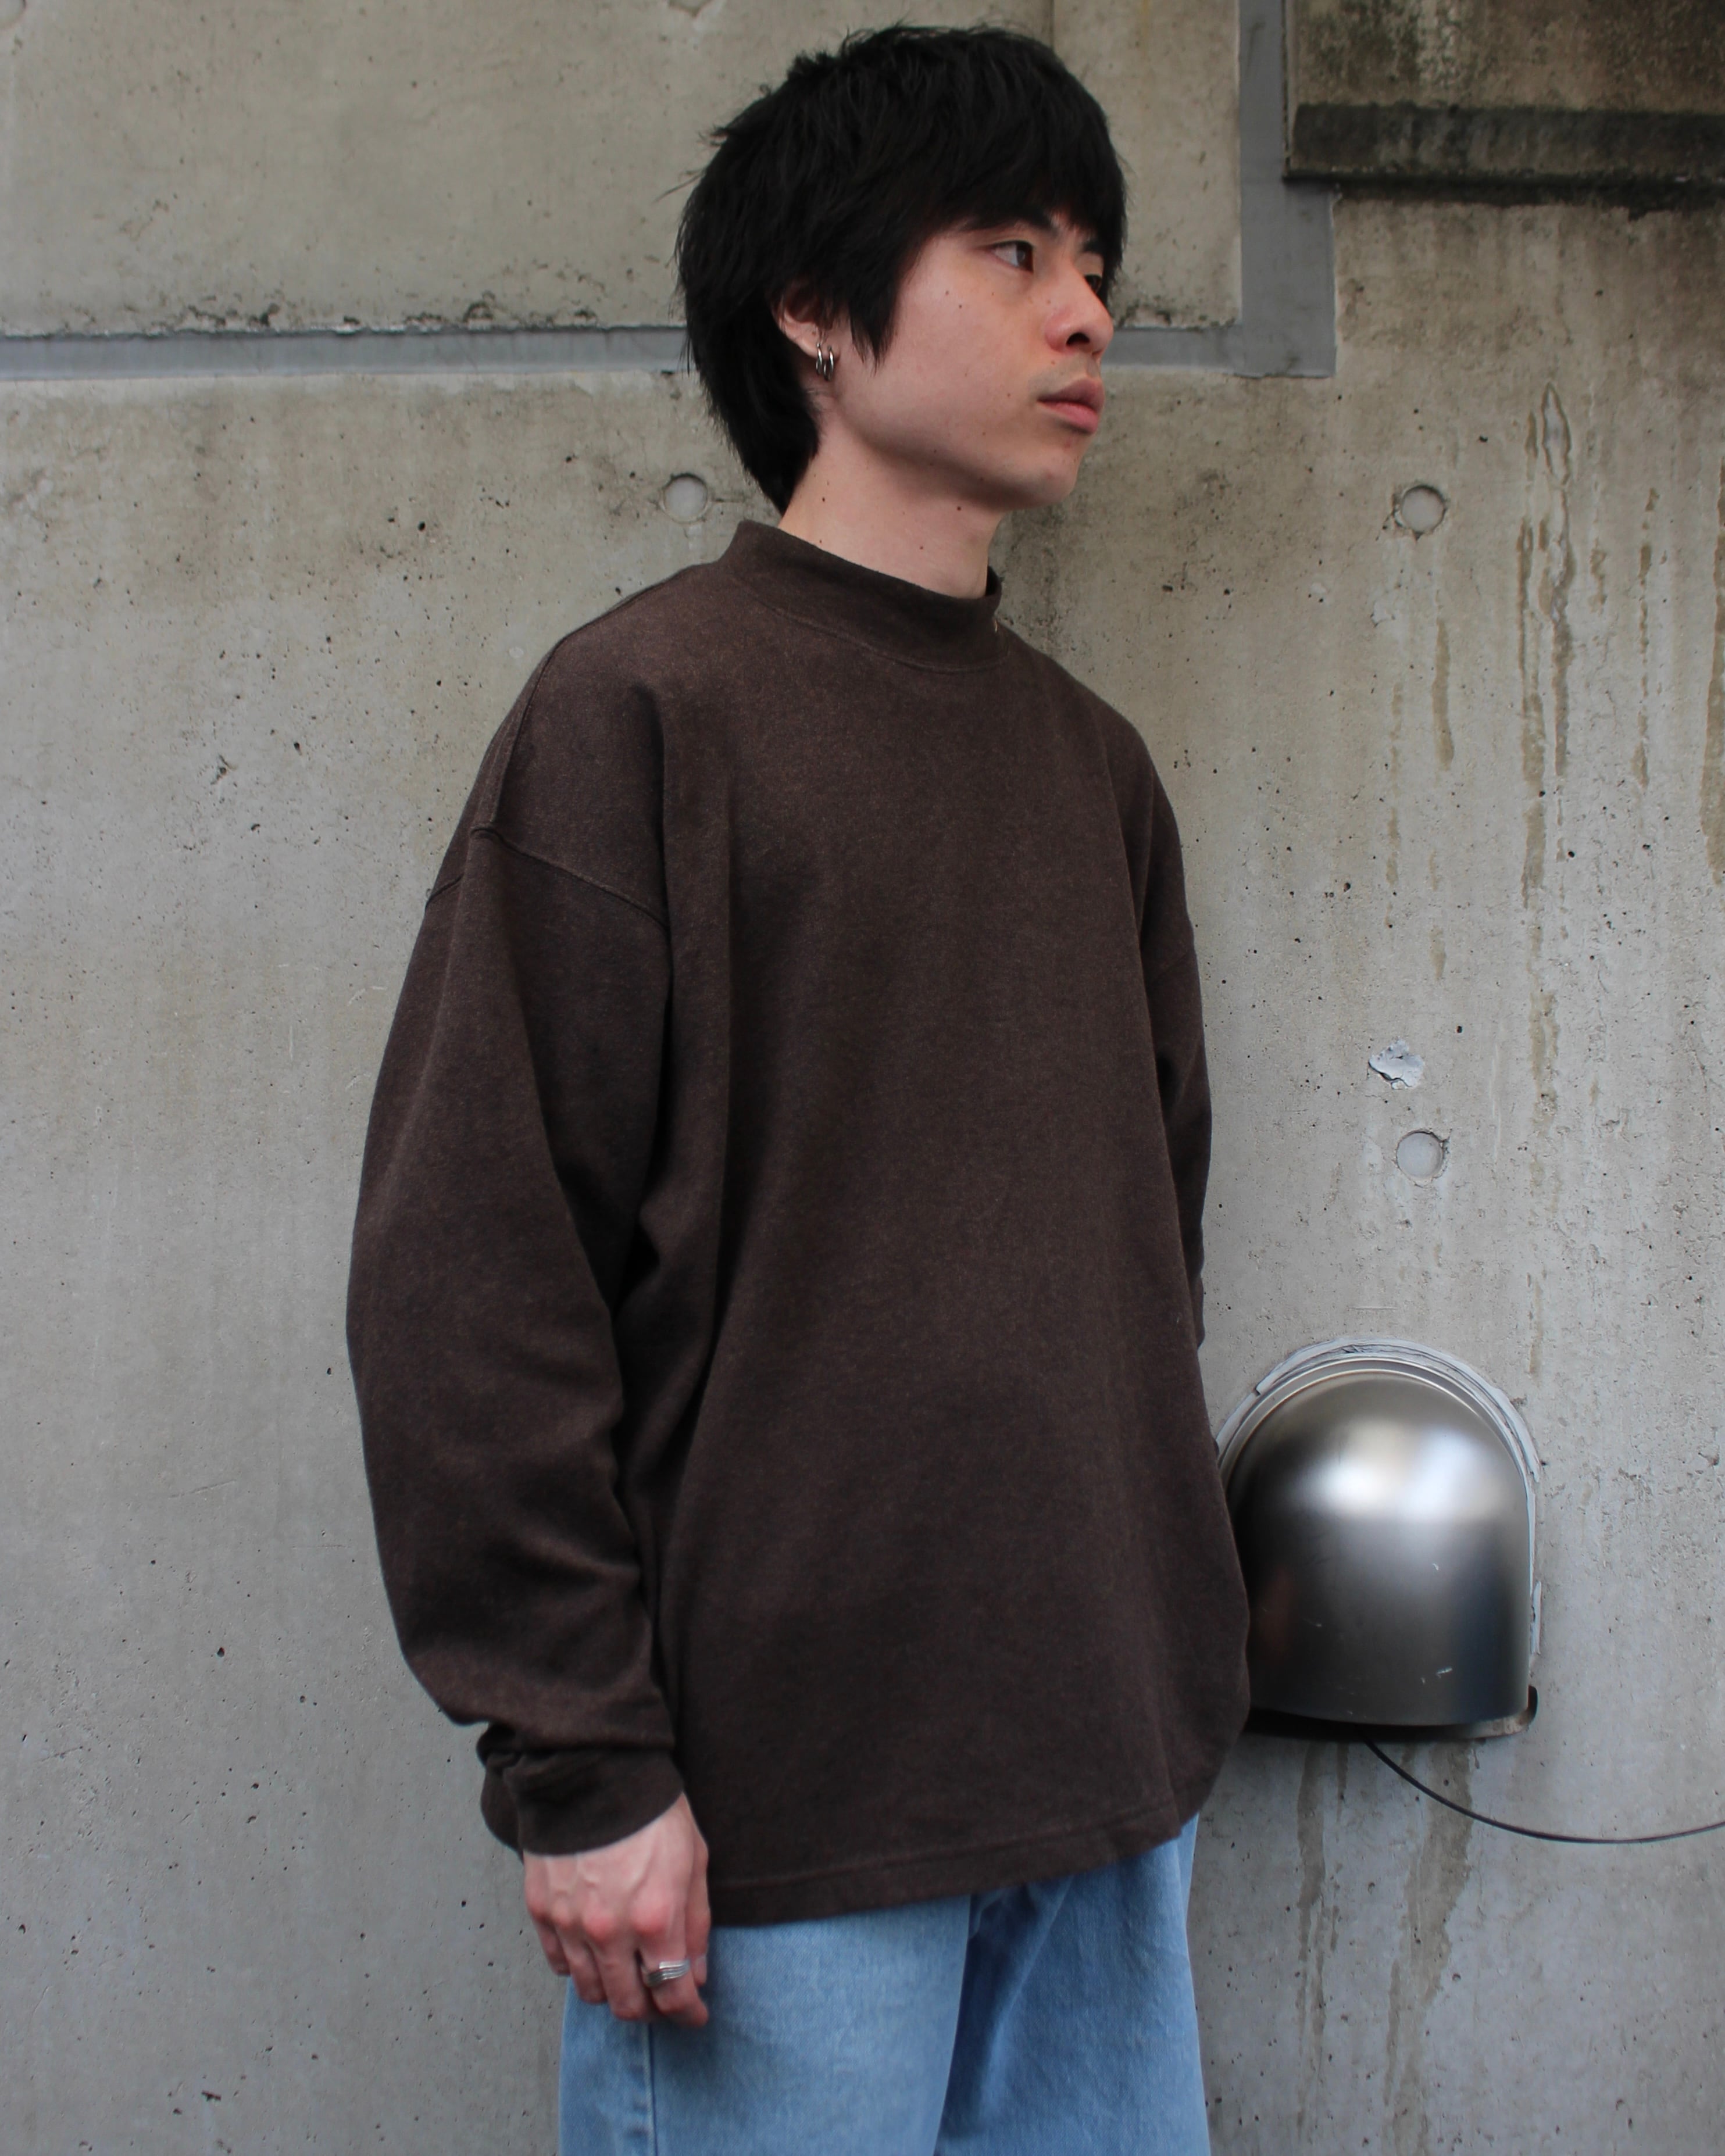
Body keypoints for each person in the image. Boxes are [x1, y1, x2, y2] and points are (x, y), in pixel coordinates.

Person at [348, 24, 1249, 2153]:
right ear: (818, 313)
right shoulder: (642, 715)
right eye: (1013, 250)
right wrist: (585, 1766)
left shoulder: (1093, 771)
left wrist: (1164, 1677)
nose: (1087, 313)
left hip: (1108, 1785)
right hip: (776, 1820)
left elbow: (1148, 1253)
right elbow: (476, 1284)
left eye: (1098, 265)